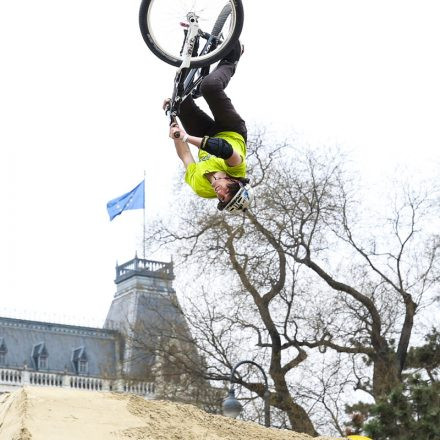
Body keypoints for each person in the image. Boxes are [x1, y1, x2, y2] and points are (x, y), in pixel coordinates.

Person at [165, 40, 253, 213]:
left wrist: (174, 126)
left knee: (179, 98)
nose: (221, 193)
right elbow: (222, 148)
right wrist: (185, 137)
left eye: (222, 199)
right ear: (235, 182)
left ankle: (192, 45)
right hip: (231, 130)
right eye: (228, 191)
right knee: (210, 87)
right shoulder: (237, 169)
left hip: (205, 133)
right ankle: (231, 59)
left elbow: (185, 156)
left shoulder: (202, 189)